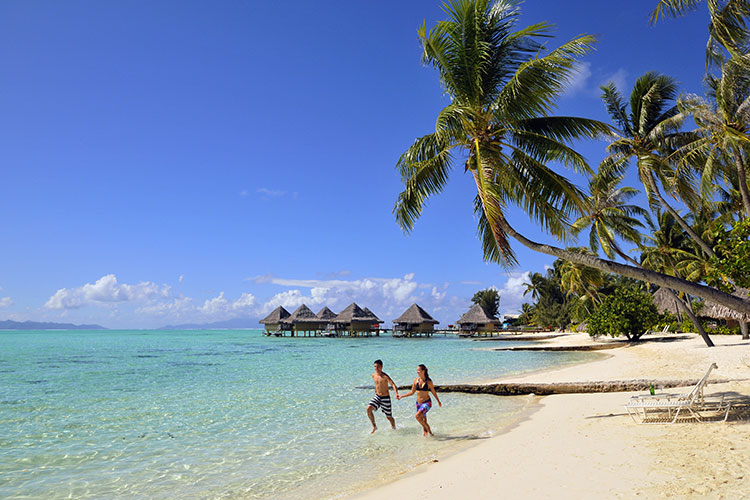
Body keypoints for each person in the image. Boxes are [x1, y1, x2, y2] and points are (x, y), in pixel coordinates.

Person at [397, 364, 442, 436]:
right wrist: (402, 396)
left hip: (427, 403)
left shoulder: (429, 381)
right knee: (423, 419)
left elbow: (433, 391)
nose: (417, 372)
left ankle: (428, 429)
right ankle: (430, 434)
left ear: (423, 371)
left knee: (417, 416)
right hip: (418, 404)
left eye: (419, 370)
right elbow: (412, 392)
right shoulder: (416, 381)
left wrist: (438, 401)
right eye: (417, 370)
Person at [366, 359, 399, 433]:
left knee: (389, 417)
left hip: (385, 398)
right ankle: (374, 426)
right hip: (377, 396)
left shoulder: (385, 376)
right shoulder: (373, 375)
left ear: (381, 367)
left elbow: (393, 384)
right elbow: (377, 384)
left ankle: (394, 428)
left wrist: (396, 393)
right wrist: (376, 389)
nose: (376, 368)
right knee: (368, 408)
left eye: (377, 367)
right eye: (375, 366)